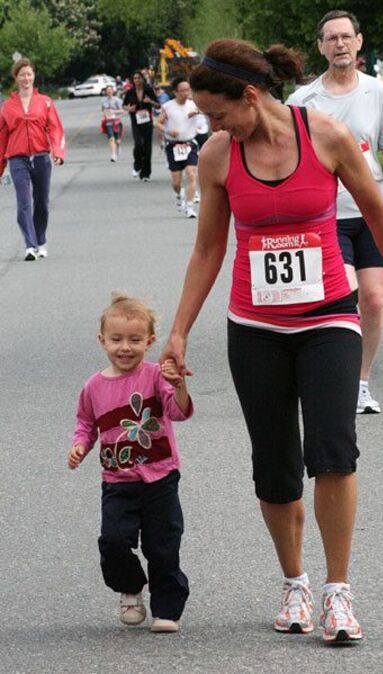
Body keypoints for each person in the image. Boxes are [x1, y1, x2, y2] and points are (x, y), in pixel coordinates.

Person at [159, 38, 383, 643]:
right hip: (255, 328)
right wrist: (177, 332)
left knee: (334, 449)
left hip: (329, 316)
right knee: (274, 466)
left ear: (250, 96)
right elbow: (208, 249)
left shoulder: (325, 136)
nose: (211, 124)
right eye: (204, 117)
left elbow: (378, 214)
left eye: (218, 113)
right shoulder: (219, 156)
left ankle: (338, 592)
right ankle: (295, 583)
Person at [286, 11, 383, 414]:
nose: (339, 44)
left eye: (345, 37)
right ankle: (325, 375)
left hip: (369, 211)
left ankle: (359, 382)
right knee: (340, 296)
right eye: (331, 38)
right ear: (321, 46)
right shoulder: (303, 101)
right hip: (323, 216)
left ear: (358, 42)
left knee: (373, 300)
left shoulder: (376, 92)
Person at [68, 293, 193, 632]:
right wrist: (80, 445)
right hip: (118, 482)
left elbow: (177, 412)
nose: (125, 347)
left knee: (163, 545)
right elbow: (85, 422)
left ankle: (167, 608)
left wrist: (177, 386)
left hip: (160, 478)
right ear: (102, 340)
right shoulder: (93, 386)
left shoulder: (155, 376)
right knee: (113, 542)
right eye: (117, 339)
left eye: (135, 340)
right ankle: (130, 587)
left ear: (150, 342)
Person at [0, 57, 65, 261]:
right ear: (16, 78)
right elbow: (2, 138)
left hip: (41, 158)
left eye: (29, 74)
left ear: (33, 76)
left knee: (42, 203)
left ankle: (41, 240)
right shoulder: (7, 107)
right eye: (22, 75)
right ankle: (30, 245)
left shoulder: (45, 102)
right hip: (17, 159)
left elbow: (55, 128)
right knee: (23, 203)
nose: (26, 78)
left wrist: (58, 152)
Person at [155, 77, 200, 218]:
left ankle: (190, 206)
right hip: (174, 146)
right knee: (176, 182)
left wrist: (198, 112)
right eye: (182, 90)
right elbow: (158, 123)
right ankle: (179, 192)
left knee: (192, 174)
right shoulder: (168, 106)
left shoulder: (194, 105)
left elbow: (210, 112)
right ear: (175, 92)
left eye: (188, 90)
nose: (186, 93)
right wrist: (168, 131)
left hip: (190, 143)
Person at [123, 71, 160, 181]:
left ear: (142, 79)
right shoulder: (130, 92)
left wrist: (150, 101)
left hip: (147, 122)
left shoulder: (148, 90)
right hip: (135, 122)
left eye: (139, 78)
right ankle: (137, 165)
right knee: (138, 144)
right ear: (132, 80)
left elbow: (158, 105)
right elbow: (124, 105)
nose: (137, 80)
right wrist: (129, 109)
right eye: (135, 78)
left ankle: (146, 173)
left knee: (147, 148)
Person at [101, 85, 124, 162]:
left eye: (110, 90)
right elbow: (103, 110)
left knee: (117, 140)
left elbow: (122, 110)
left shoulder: (117, 100)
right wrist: (105, 114)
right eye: (107, 90)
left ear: (113, 91)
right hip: (109, 122)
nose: (109, 91)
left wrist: (114, 111)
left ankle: (118, 147)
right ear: (106, 92)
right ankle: (113, 155)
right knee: (111, 138)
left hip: (117, 122)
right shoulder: (103, 101)